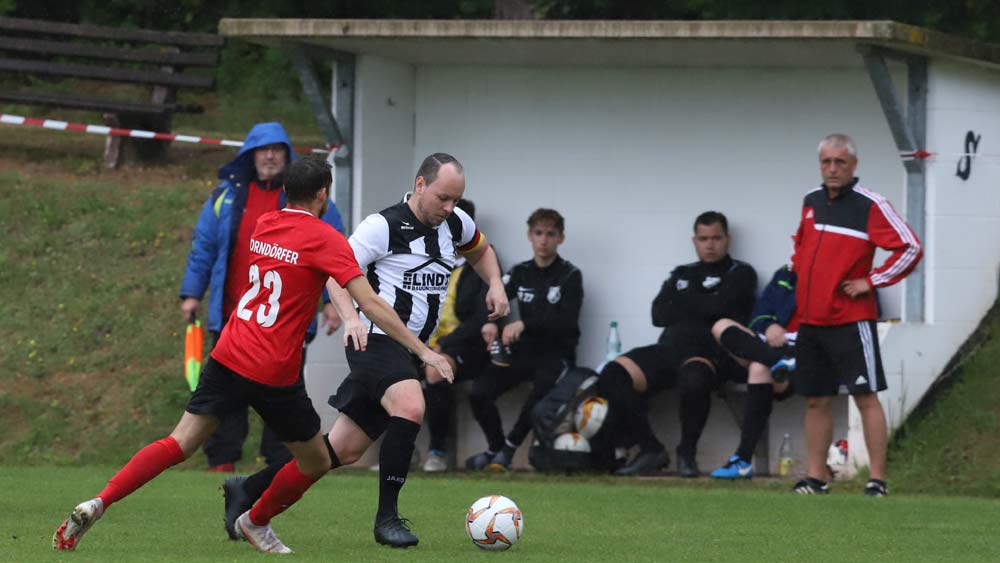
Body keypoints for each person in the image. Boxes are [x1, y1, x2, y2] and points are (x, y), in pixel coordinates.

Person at [53, 156, 454, 554]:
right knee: (315, 461)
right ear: (322, 194)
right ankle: (256, 520)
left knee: (179, 442)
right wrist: (422, 350)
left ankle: (100, 500)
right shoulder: (325, 238)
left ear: (284, 191)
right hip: (273, 371)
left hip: (229, 353)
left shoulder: (265, 224)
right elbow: (369, 302)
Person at [221, 153, 509, 548]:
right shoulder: (382, 226)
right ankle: (387, 520)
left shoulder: (455, 223)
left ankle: (248, 489)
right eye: (443, 197)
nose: (449, 208)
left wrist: (495, 284)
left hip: (406, 350)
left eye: (455, 200)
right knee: (410, 406)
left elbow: (481, 251)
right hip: (373, 341)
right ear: (420, 185)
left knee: (341, 450)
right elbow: (336, 273)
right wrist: (351, 318)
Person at [179, 122, 346, 472]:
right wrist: (192, 293)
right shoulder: (226, 195)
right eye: (262, 150)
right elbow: (204, 246)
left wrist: (332, 303)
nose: (269, 156)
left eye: (276, 150)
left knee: (282, 402)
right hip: (231, 318)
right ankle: (221, 463)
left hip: (286, 326)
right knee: (223, 403)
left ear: (286, 156)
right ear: (250, 156)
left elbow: (336, 253)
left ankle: (277, 469)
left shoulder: (312, 199)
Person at [789, 134, 921, 496]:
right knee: (816, 399)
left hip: (850, 319)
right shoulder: (811, 201)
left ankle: (876, 480)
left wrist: (872, 281)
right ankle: (817, 478)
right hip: (811, 320)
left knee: (865, 397)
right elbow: (801, 247)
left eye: (839, 162)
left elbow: (910, 247)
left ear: (853, 166)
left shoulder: (871, 204)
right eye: (826, 162)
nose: (832, 169)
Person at [597, 211, 757, 477]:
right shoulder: (683, 272)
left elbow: (723, 307)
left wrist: (685, 300)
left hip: (709, 353)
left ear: (727, 239)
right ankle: (650, 448)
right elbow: (658, 314)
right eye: (704, 238)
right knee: (613, 373)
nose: (710, 244)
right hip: (669, 349)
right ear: (694, 240)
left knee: (694, 377)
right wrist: (704, 303)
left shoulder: (740, 272)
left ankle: (687, 452)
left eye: (716, 238)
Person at [465, 208, 584, 471]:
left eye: (550, 234)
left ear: (560, 238)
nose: (544, 240)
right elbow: (494, 298)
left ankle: (509, 449)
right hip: (524, 352)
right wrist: (491, 322)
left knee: (541, 389)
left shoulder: (570, 275)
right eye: (539, 233)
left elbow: (566, 323)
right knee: (479, 391)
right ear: (530, 235)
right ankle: (495, 446)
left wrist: (524, 323)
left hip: (557, 354)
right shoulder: (520, 272)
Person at [707, 265, 798, 479]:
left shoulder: (838, 276)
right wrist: (768, 326)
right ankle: (778, 361)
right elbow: (758, 314)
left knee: (759, 367)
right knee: (721, 325)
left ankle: (743, 460)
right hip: (772, 350)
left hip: (807, 353)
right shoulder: (786, 274)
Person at [421, 199, 491, 472]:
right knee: (387, 370)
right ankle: (400, 450)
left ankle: (437, 451)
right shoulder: (427, 256)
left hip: (465, 347)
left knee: (435, 371)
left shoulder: (482, 261)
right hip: (424, 343)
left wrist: (443, 344)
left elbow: (480, 319)